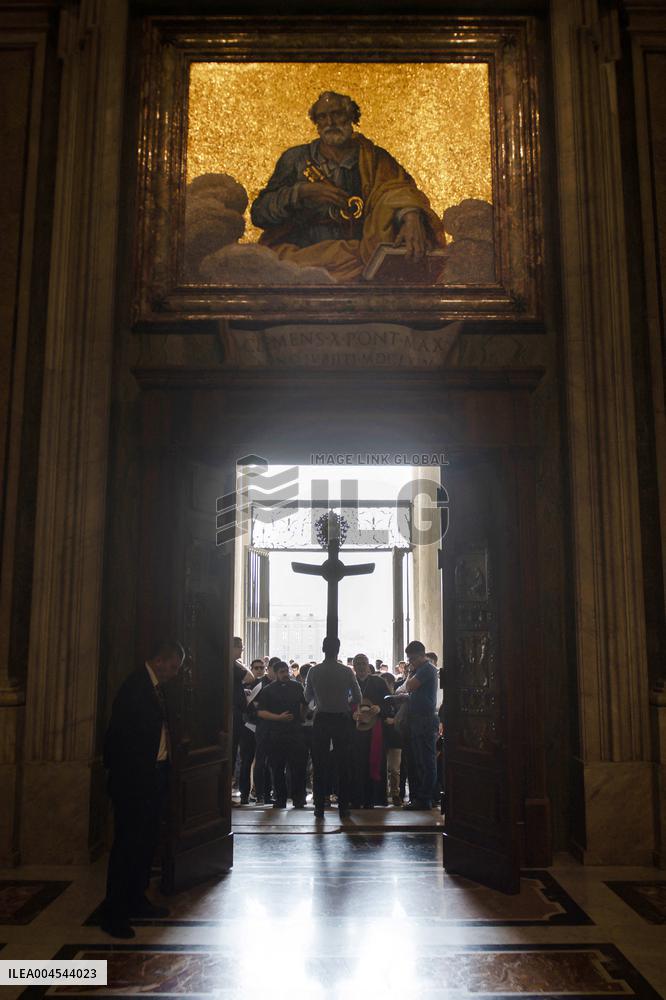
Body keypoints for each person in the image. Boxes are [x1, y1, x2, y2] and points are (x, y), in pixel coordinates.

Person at [250, 91, 444, 282]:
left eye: (337, 114)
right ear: (316, 123)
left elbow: (398, 190)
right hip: (303, 256)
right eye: (323, 117)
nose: (330, 122)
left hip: (360, 257)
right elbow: (259, 213)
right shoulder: (295, 159)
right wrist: (301, 193)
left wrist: (410, 216)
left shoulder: (374, 158)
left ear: (351, 117)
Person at [101, 638, 184, 939]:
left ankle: (136, 899)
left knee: (146, 843)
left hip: (153, 777)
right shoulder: (136, 686)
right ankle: (114, 912)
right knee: (127, 846)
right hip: (134, 781)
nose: (175, 673)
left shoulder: (154, 687)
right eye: (174, 666)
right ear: (160, 660)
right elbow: (121, 739)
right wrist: (135, 777)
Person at [304, 636, 362, 819]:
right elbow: (358, 697)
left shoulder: (314, 671)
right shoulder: (346, 671)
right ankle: (343, 807)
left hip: (321, 718)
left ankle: (319, 807)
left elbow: (307, 697)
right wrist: (345, 701)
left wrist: (318, 704)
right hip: (341, 718)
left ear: (323, 649)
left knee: (320, 764)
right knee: (344, 764)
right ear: (338, 649)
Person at [257, 660, 307, 809]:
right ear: (276, 673)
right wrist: (278, 718)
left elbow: (305, 704)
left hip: (295, 733)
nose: (285, 674)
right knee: (277, 768)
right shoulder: (268, 690)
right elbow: (260, 712)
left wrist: (301, 717)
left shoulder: (297, 686)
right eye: (282, 672)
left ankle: (298, 799)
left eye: (287, 671)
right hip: (276, 734)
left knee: (297, 768)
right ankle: (280, 799)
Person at [403, 640, 438, 810]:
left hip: (425, 720)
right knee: (419, 760)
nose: (410, 662)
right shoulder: (422, 669)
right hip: (418, 719)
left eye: (411, 659)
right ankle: (420, 796)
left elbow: (409, 686)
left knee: (426, 761)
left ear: (419, 655)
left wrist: (410, 672)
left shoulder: (427, 669)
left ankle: (425, 798)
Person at [350, 653, 389, 808]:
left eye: (363, 663)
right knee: (355, 765)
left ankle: (373, 800)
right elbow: (344, 704)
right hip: (355, 732)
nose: (360, 666)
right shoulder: (349, 682)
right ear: (353, 666)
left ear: (368, 665)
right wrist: (351, 714)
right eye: (357, 663)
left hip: (375, 731)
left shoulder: (379, 682)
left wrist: (380, 708)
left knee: (375, 763)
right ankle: (356, 799)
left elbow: (389, 703)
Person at [238, 659, 272, 805]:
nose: (259, 670)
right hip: (248, 727)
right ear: (251, 669)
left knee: (263, 762)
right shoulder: (246, 685)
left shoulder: (268, 685)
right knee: (246, 762)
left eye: (261, 667)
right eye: (256, 668)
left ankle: (262, 794)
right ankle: (244, 794)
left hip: (262, 727)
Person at [232, 636, 255, 774]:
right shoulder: (232, 664)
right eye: (241, 647)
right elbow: (250, 677)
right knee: (233, 749)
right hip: (234, 713)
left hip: (236, 711)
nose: (242, 650)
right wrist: (236, 661)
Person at [382, 673, 404, 806]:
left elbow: (404, 715)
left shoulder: (399, 699)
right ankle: (383, 794)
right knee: (382, 768)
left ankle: (395, 793)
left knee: (394, 769)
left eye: (387, 683)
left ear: (392, 684)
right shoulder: (380, 699)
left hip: (396, 738)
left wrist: (394, 720)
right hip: (383, 736)